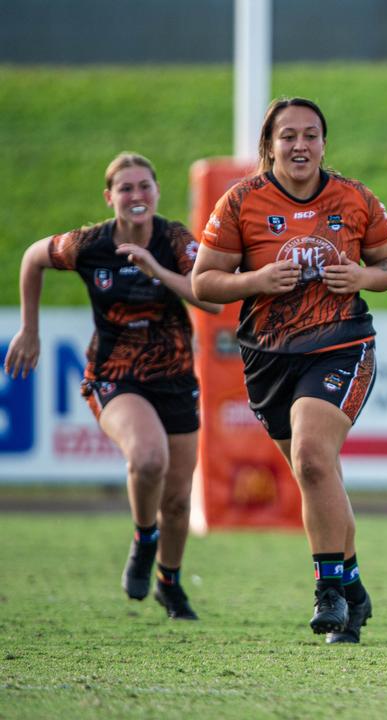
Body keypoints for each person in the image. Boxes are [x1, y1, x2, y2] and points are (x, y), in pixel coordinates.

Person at [192, 97, 387, 643]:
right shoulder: (240, 200)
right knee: (317, 475)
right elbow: (203, 282)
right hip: (269, 358)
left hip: (342, 345)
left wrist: (363, 279)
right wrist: (254, 281)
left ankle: (328, 591)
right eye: (288, 135)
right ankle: (354, 589)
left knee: (314, 458)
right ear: (270, 145)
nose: (300, 145)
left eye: (311, 135)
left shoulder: (355, 198)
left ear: (323, 144)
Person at [4, 152, 221, 620]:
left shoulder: (176, 240)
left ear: (157, 192)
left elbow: (212, 300)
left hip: (176, 375)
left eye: (144, 186)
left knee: (180, 500)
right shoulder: (90, 244)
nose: (136, 195)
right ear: (110, 197)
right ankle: (145, 539)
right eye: (126, 188)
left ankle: (170, 581)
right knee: (147, 458)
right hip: (114, 376)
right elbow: (32, 258)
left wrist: (157, 271)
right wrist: (30, 328)